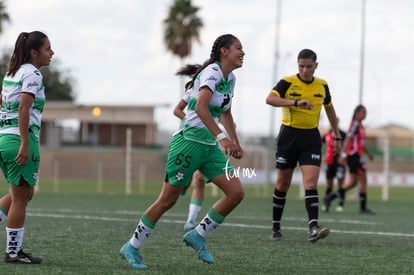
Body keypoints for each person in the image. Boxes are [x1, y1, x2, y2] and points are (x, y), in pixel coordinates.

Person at [119, 33, 245, 269]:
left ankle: (197, 235)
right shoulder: (212, 72)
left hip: (208, 149)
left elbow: (226, 113)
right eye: (239, 48)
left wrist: (234, 141)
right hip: (187, 144)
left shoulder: (231, 78)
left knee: (236, 192)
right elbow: (200, 107)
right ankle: (131, 247)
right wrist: (222, 138)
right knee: (167, 200)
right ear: (224, 51)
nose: (243, 52)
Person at [265, 48, 341, 242]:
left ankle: (313, 228)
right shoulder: (287, 82)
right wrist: (296, 103)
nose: (305, 70)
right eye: (301, 66)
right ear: (298, 65)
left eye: (309, 66)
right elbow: (270, 99)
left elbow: (330, 109)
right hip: (289, 136)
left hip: (311, 138)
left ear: (316, 66)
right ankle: (275, 228)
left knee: (311, 183)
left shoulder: (322, 85)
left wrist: (337, 135)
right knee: (283, 184)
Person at [0, 31, 54, 264]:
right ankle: (13, 252)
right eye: (47, 49)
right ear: (34, 52)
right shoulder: (32, 73)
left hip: (3, 137)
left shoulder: (13, 71)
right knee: (21, 198)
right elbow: (24, 108)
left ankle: (14, 249)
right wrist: (24, 142)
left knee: (24, 193)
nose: (51, 53)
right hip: (19, 140)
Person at [324, 105, 375, 214]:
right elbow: (348, 138)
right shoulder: (355, 124)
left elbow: (360, 143)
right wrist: (343, 155)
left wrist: (368, 153)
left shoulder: (360, 125)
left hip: (357, 156)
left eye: (365, 112)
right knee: (363, 180)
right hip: (354, 156)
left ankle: (330, 197)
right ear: (357, 113)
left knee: (352, 183)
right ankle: (363, 208)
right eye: (363, 112)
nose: (365, 114)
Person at [172, 68, 206, 231]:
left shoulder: (221, 93)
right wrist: (191, 121)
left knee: (199, 180)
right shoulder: (193, 91)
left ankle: (191, 220)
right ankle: (184, 186)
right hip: (188, 139)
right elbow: (177, 110)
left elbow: (222, 114)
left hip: (207, 142)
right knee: (182, 181)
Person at [321, 119, 346, 212]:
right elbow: (318, 144)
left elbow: (347, 146)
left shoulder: (343, 134)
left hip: (339, 163)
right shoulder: (327, 135)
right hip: (330, 162)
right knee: (329, 184)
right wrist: (323, 155)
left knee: (341, 184)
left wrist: (344, 157)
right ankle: (327, 204)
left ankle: (341, 204)